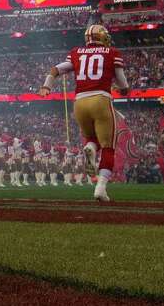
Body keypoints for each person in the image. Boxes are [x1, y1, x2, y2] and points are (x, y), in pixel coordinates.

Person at [38, 24, 129, 203]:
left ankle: (91, 148)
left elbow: (55, 70)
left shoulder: (76, 52)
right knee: (109, 146)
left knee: (92, 139)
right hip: (101, 99)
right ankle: (100, 188)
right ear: (102, 37)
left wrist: (46, 86)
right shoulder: (112, 53)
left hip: (79, 102)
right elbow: (122, 81)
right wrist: (124, 90)